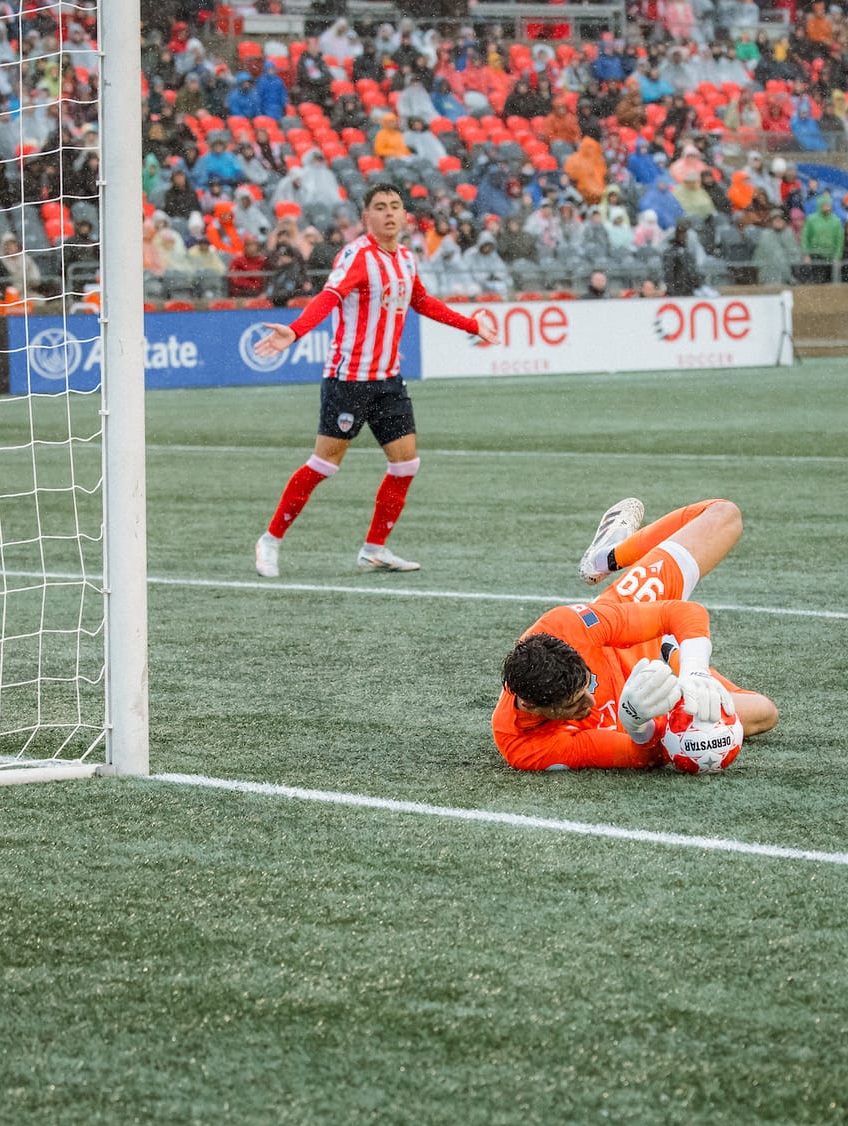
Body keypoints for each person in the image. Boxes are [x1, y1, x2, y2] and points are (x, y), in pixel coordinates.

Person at [251, 183, 501, 578]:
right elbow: (329, 297)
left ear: (404, 215)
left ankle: (373, 549)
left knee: (405, 464)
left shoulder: (406, 258)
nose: (389, 213)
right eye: (380, 207)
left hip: (389, 380)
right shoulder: (357, 256)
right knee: (324, 464)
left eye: (395, 206)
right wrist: (296, 331)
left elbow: (421, 301)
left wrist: (472, 325)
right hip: (348, 380)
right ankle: (270, 539)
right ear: (366, 216)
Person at [493, 497, 779, 771]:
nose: (590, 702)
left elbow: (684, 613)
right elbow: (642, 756)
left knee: (723, 514)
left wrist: (694, 670)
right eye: (574, 703)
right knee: (764, 712)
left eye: (587, 686)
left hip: (627, 630)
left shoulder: (568, 627)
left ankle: (607, 557)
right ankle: (672, 655)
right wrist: (638, 725)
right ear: (531, 706)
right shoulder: (525, 746)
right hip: (654, 700)